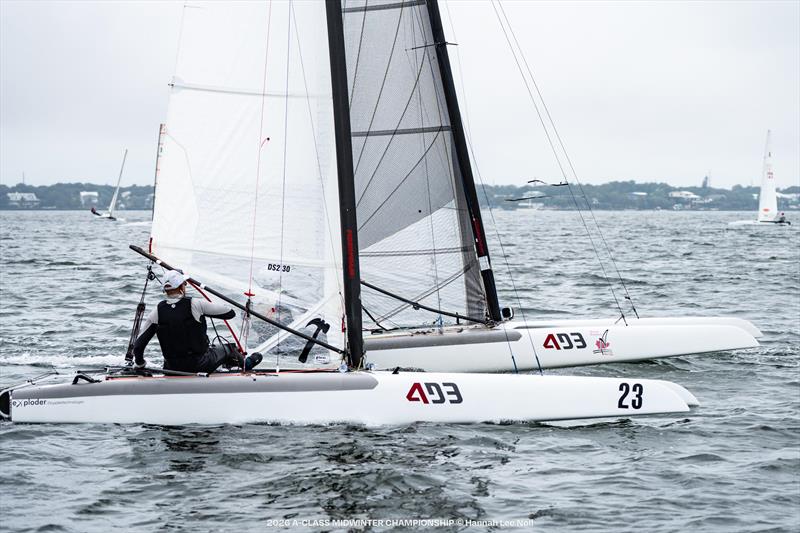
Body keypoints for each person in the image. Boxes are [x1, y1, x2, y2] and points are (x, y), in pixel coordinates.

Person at [132, 270, 262, 373]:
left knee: (209, 351)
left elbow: (138, 347)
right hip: (201, 365)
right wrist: (204, 310)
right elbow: (230, 313)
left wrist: (140, 364)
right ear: (182, 287)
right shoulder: (196, 304)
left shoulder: (156, 311)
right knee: (229, 348)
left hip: (171, 368)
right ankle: (246, 364)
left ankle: (225, 366)